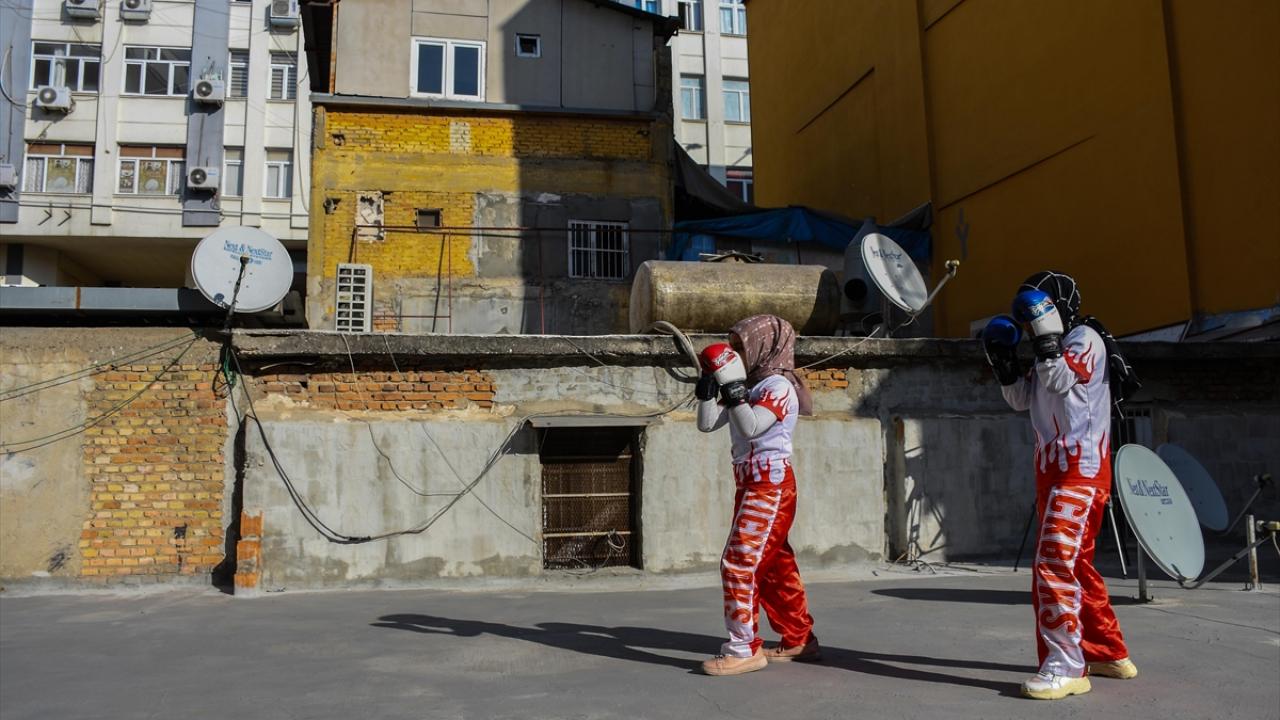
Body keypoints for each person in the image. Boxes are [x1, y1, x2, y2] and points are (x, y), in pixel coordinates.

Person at [983, 271, 1139, 701]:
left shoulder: (1085, 337)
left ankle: (1068, 665)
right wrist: (1003, 360)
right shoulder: (1043, 355)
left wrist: (1047, 335)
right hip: (1051, 472)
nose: (1031, 319)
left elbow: (1059, 379)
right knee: (1075, 565)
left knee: (1053, 563)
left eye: (1039, 307)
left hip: (1081, 470)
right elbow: (1021, 399)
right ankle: (1108, 651)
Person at [695, 314, 819, 676]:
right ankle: (798, 637)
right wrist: (707, 382)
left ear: (762, 347)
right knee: (776, 566)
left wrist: (731, 388)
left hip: (770, 485)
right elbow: (706, 423)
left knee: (739, 563)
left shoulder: (778, 388)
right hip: (749, 483)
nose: (733, 354)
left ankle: (744, 648)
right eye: (731, 347)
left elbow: (750, 428)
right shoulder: (751, 387)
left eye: (740, 347)